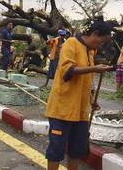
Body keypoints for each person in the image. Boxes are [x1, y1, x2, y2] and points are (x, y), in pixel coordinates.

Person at [45, 17, 113, 170]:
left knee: (76, 151)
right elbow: (68, 70)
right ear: (94, 34)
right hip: (62, 110)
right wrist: (95, 69)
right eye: (100, 41)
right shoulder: (70, 44)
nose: (99, 45)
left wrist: (91, 99)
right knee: (56, 149)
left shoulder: (89, 52)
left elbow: (86, 80)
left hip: (81, 112)